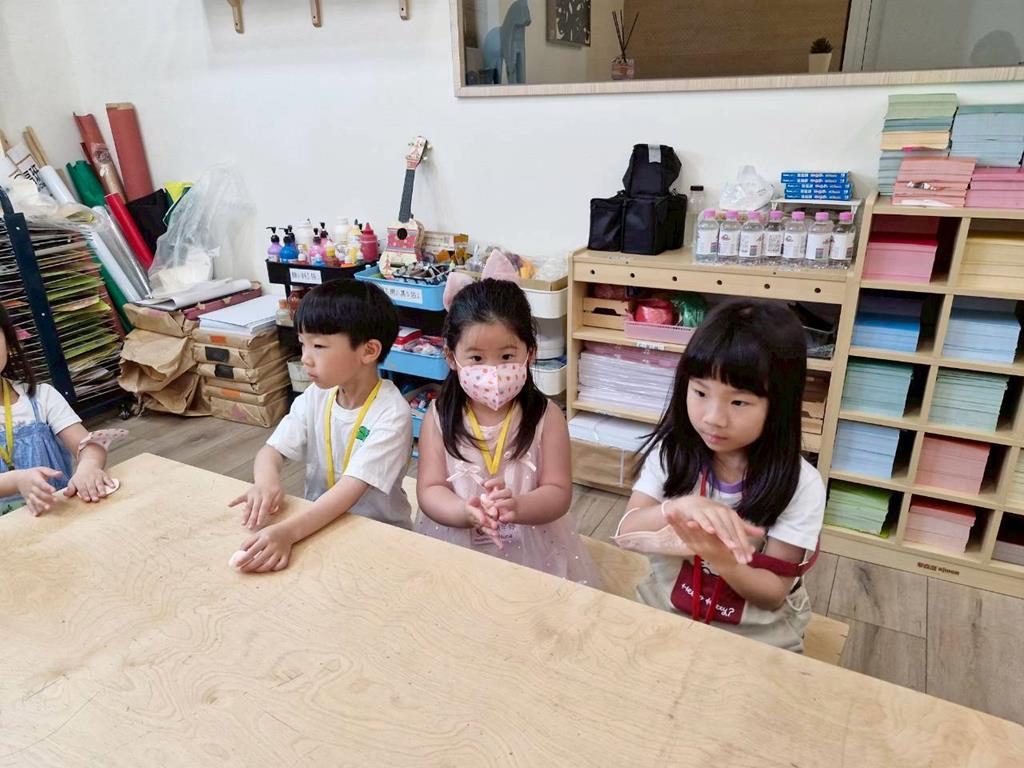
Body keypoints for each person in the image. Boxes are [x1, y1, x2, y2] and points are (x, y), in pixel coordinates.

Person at [615, 299, 824, 651]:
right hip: (668, 606)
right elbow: (626, 532)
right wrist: (676, 508)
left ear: (780, 405)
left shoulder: (800, 484)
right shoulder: (673, 453)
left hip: (755, 631)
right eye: (700, 392)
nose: (713, 417)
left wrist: (720, 556)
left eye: (738, 402)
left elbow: (773, 594)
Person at [416, 254, 596, 585]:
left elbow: (558, 491)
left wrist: (519, 507)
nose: (494, 371)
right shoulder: (438, 417)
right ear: (451, 357)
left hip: (534, 544)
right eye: (476, 357)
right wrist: (463, 512)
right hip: (458, 541)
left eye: (507, 356)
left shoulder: (546, 417)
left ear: (531, 352)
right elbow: (430, 489)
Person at [231, 280, 412, 573]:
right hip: (318, 523)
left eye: (318, 346)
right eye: (303, 343)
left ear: (368, 351)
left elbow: (349, 491)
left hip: (378, 535)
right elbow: (271, 451)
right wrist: (265, 482)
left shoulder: (392, 414)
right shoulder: (317, 396)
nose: (305, 358)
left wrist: (287, 532)